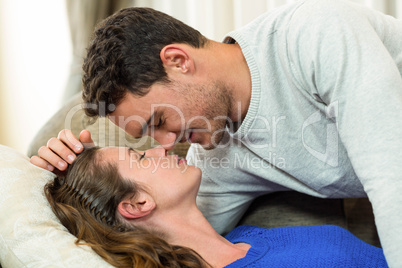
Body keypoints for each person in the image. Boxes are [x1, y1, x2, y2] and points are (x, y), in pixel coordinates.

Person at [31, 0, 402, 266]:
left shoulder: (313, 33)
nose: (166, 144)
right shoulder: (215, 158)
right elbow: (160, 236)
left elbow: (393, 179)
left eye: (159, 121)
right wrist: (44, 179)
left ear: (178, 61)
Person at [45, 146, 388, 267]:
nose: (160, 150)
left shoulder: (250, 236)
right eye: (139, 157)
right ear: (136, 204)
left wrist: (74, 165)